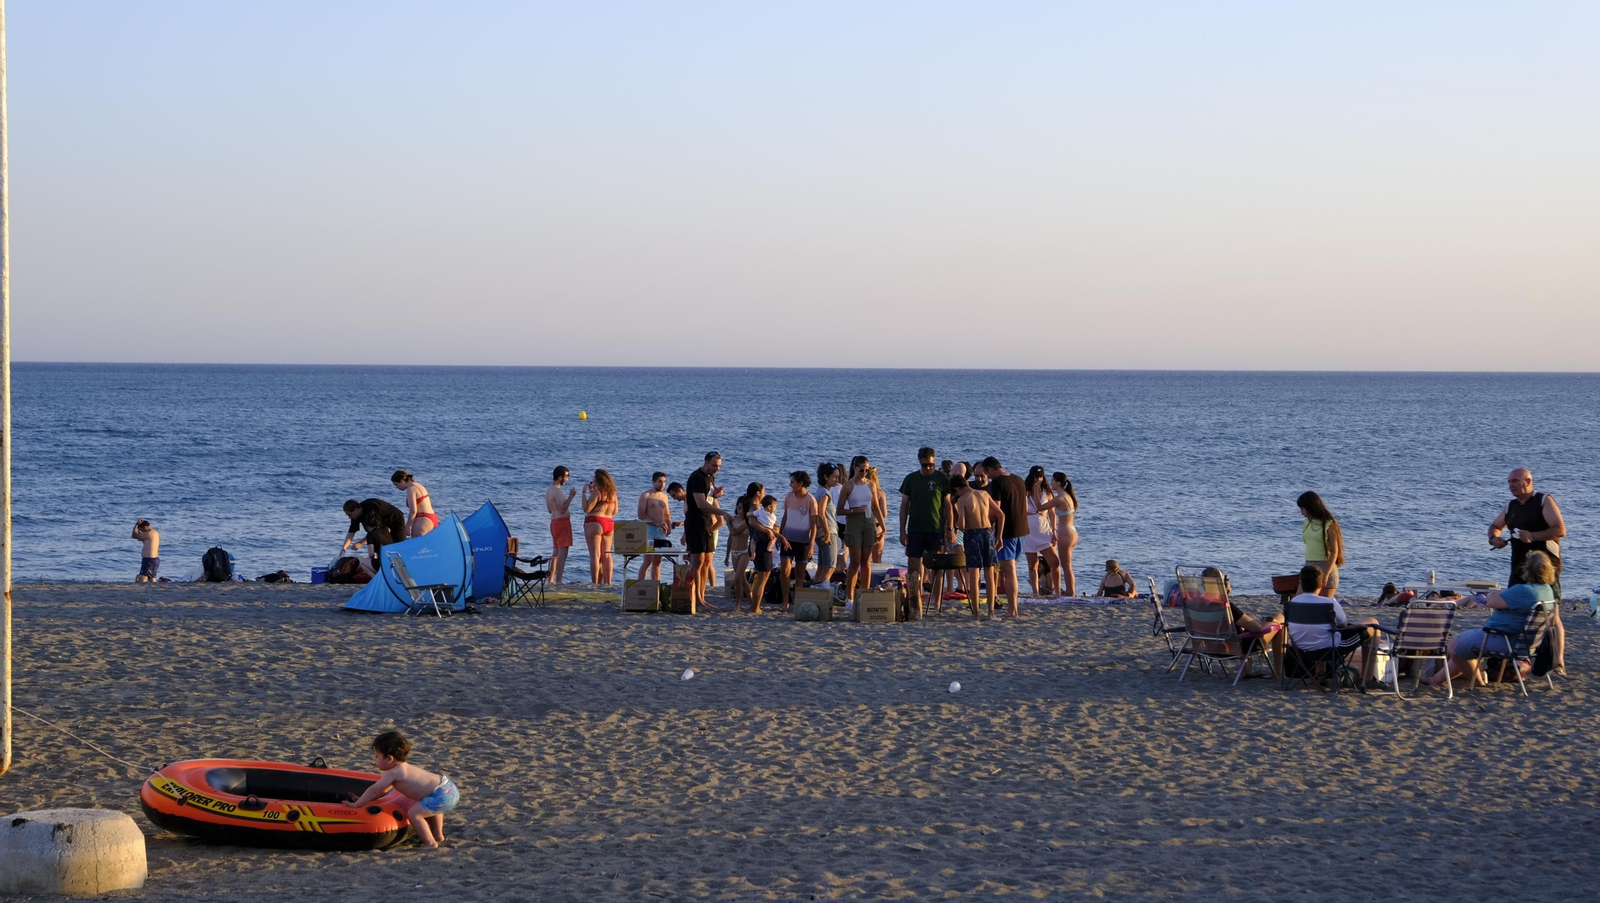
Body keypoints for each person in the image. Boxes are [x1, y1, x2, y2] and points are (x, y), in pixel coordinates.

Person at [1428, 551, 1558, 688]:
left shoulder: (1524, 591)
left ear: (1527, 570)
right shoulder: (1547, 591)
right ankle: (1436, 680)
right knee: (1462, 645)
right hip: (1527, 643)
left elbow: (1491, 601)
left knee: (1454, 645)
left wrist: (1496, 594)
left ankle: (1477, 682)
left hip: (1506, 639)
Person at [1490, 468, 1567, 674]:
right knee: (1514, 610)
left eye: (1515, 481)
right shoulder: (1511, 506)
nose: (1511, 485)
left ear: (1528, 481)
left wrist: (1533, 536)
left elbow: (1560, 530)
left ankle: (1558, 661)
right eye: (1509, 482)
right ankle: (1516, 659)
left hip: (1545, 568)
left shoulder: (1543, 500)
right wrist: (1495, 539)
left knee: (1552, 614)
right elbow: (1495, 526)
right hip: (1519, 568)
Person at [346, 730, 459, 850]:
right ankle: (438, 836)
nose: (375, 759)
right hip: (448, 787)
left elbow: (374, 789)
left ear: (389, 758)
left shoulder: (394, 772)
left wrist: (357, 804)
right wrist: (362, 799)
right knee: (434, 808)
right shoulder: (404, 768)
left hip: (440, 795)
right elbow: (382, 791)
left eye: (377, 756)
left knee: (414, 814)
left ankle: (430, 843)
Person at [1284, 563, 1376, 684]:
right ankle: (1368, 679)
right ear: (1321, 585)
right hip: (1329, 649)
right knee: (1372, 628)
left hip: (1299, 649)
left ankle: (1320, 674)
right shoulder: (1329, 603)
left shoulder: (1292, 604)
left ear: (1300, 583)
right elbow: (1343, 624)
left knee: (1322, 631)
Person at [899, 447, 954, 619]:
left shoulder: (941, 479)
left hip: (936, 529)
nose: (928, 468)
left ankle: (937, 602)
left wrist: (950, 528)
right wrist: (902, 530)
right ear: (919, 462)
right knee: (913, 565)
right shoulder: (911, 479)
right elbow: (904, 506)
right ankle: (915, 600)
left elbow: (948, 505)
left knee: (936, 566)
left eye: (931, 465)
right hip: (915, 528)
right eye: (925, 465)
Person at [976, 457, 1029, 618]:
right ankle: (1014, 609)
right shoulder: (1018, 479)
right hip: (1022, 528)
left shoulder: (998, 482)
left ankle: (1012, 610)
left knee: (1008, 571)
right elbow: (1025, 505)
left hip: (1007, 531)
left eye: (986, 473)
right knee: (1012, 570)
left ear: (991, 470)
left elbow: (996, 509)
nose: (987, 476)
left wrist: (985, 522)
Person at [951, 475, 1004, 621]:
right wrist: (999, 536)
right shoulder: (984, 494)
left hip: (973, 534)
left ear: (957, 489)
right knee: (989, 574)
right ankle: (991, 612)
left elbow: (961, 525)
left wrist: (955, 508)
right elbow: (1001, 514)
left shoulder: (962, 499)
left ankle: (976, 614)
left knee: (974, 576)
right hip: (988, 533)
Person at [684, 452, 727, 613]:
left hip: (707, 522)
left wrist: (716, 494)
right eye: (714, 465)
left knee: (707, 561)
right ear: (706, 463)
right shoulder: (697, 477)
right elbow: (701, 503)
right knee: (698, 561)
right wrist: (722, 512)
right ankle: (696, 598)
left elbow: (708, 497)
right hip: (696, 523)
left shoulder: (710, 477)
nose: (717, 469)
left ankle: (702, 596)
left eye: (719, 466)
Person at [838, 455, 877, 604]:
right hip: (854, 521)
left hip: (869, 521)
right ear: (855, 468)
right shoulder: (848, 486)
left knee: (866, 561)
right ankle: (850, 597)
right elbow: (839, 510)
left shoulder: (871, 484)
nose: (864, 473)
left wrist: (882, 526)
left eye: (867, 470)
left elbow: (876, 507)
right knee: (855, 561)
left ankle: (865, 594)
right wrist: (854, 511)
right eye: (862, 470)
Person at [778, 471, 818, 611]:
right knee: (785, 570)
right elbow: (785, 516)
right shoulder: (789, 496)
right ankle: (785, 601)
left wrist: (811, 544)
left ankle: (798, 601)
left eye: (793, 482)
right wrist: (780, 535)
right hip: (787, 539)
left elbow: (814, 525)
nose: (790, 485)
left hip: (803, 542)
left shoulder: (811, 500)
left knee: (800, 573)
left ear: (801, 483)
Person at [1296, 491, 1344, 598]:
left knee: (1323, 604)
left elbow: (1334, 552)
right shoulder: (1306, 524)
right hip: (1309, 566)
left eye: (1302, 509)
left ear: (1310, 507)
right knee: (1299, 601)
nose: (1301, 513)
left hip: (1325, 566)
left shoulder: (1329, 524)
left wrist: (1325, 574)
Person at [1022, 466, 1060, 597]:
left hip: (1044, 530)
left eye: (1040, 477)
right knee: (1032, 563)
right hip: (1028, 531)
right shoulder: (1024, 491)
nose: (1038, 479)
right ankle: (1035, 592)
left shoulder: (1047, 492)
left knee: (1054, 561)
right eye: (1035, 477)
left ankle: (1057, 591)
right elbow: (1020, 511)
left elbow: (1052, 514)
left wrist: (1054, 531)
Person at [343, 497, 407, 571]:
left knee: (399, 547)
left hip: (395, 520)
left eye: (350, 515)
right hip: (383, 527)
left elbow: (375, 533)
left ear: (356, 510)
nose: (349, 517)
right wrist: (343, 549)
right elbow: (351, 532)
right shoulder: (355, 516)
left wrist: (360, 543)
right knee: (383, 548)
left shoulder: (371, 508)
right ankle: (387, 567)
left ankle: (402, 569)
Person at [1044, 472, 1079, 597]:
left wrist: (1037, 491)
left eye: (1052, 481)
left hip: (1065, 533)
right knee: (1068, 566)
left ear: (1058, 483)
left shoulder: (1059, 499)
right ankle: (1070, 591)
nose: (1051, 483)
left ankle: (1071, 592)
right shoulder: (1069, 496)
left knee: (1066, 566)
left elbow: (1040, 507)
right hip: (1072, 531)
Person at [581, 469, 619, 585]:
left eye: (593, 480)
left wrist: (584, 493)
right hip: (609, 523)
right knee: (607, 555)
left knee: (595, 555)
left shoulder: (598, 493)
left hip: (595, 522)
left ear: (598, 481)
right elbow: (615, 511)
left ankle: (595, 583)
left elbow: (586, 508)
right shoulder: (613, 493)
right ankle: (608, 582)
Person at [746, 495, 781, 614]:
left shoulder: (758, 511)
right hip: (764, 546)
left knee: (762, 578)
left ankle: (754, 606)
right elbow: (770, 529)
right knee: (762, 579)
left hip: (758, 542)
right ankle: (755, 607)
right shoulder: (763, 512)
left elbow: (750, 517)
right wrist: (768, 531)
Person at [729, 483, 761, 609]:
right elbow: (730, 538)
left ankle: (739, 603)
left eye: (742, 508)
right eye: (738, 508)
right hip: (734, 552)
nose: (740, 511)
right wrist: (726, 555)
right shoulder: (734, 520)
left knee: (737, 578)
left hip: (744, 552)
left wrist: (727, 522)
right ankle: (747, 602)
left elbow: (734, 532)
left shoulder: (746, 522)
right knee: (742, 580)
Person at [637, 472, 672, 581]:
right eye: (660, 481)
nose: (662, 484)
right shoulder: (646, 495)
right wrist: (656, 522)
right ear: (654, 482)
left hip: (661, 532)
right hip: (649, 531)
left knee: (657, 561)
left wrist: (669, 526)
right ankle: (641, 583)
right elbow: (641, 515)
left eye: (664, 482)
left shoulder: (664, 496)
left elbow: (667, 514)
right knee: (648, 560)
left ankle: (655, 584)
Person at [546, 466, 577, 584]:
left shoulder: (549, 490)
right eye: (566, 476)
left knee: (555, 551)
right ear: (560, 477)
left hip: (554, 522)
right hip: (562, 522)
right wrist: (571, 496)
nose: (567, 479)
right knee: (562, 553)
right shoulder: (557, 491)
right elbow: (563, 509)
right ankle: (558, 580)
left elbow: (549, 509)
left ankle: (551, 579)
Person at [812, 463, 840, 587]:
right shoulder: (825, 493)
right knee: (830, 566)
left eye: (837, 477)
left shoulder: (819, 491)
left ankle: (815, 588)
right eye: (834, 477)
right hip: (827, 531)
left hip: (820, 532)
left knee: (822, 566)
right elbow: (821, 513)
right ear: (826, 477)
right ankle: (823, 590)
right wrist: (828, 533)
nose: (836, 479)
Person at [390, 471, 438, 538]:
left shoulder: (411, 489)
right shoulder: (418, 485)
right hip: (432, 517)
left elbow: (413, 511)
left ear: (401, 481)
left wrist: (407, 526)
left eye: (396, 485)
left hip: (422, 519)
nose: (397, 487)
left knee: (417, 543)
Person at [132, 519, 160, 583]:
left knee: (142, 580)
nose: (142, 531)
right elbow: (140, 538)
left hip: (148, 559)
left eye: (141, 530)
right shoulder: (155, 533)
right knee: (152, 578)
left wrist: (136, 525)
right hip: (155, 559)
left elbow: (134, 536)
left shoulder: (148, 534)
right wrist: (139, 530)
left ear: (145, 527)